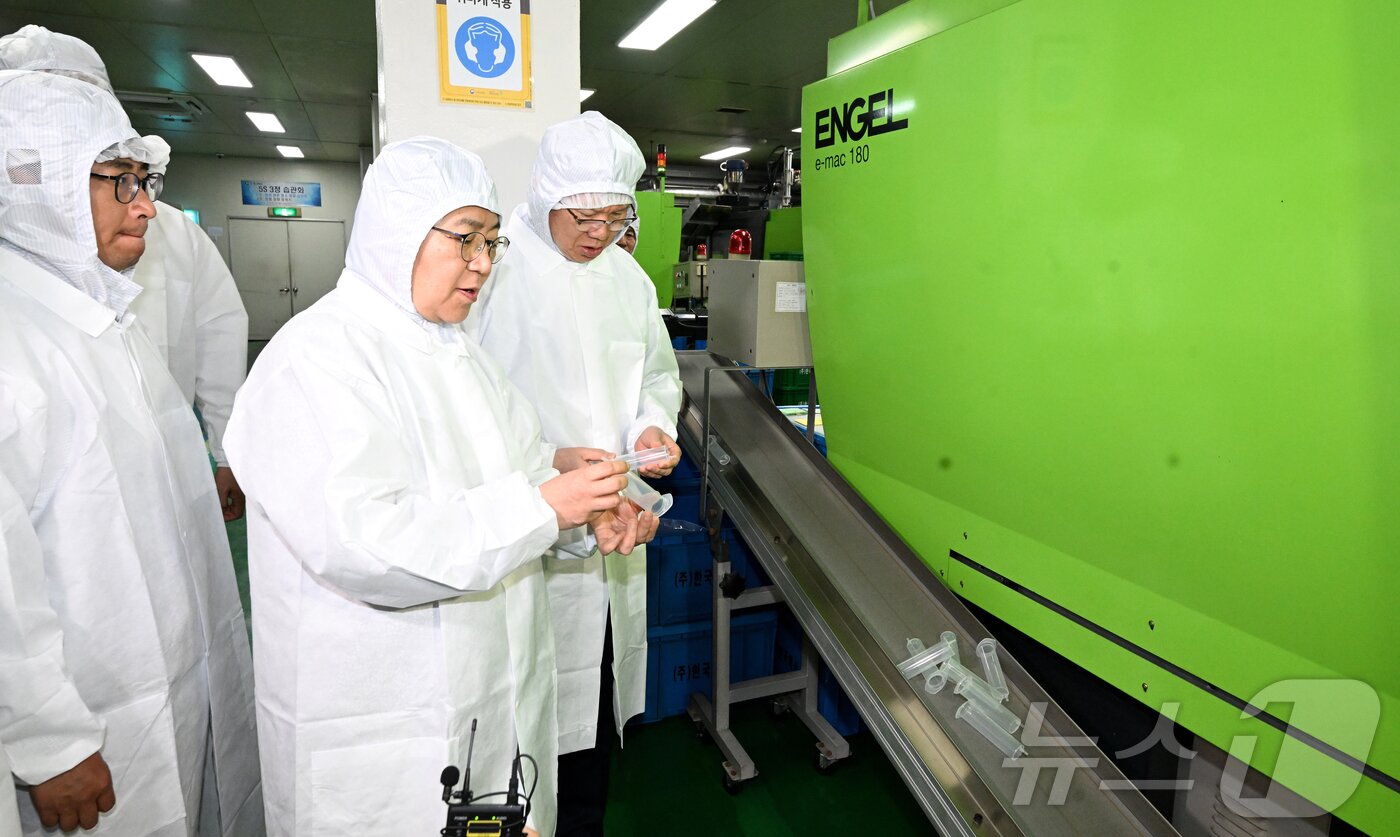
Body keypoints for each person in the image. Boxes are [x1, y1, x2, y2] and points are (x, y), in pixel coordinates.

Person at [222, 137, 642, 837]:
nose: (483, 262)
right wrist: (545, 506)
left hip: (492, 728)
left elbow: (528, 478)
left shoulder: (464, 359)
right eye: (465, 238)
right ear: (398, 232)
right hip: (389, 741)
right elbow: (366, 542)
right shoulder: (315, 357)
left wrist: (585, 520)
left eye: (493, 240)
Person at [0, 69, 262, 834]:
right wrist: (51, 741)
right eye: (119, 181)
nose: (146, 205)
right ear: (33, 180)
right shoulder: (14, 343)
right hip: (87, 721)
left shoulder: (108, 320)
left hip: (170, 679)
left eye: (143, 181)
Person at [468, 111, 683, 835]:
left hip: (613, 527)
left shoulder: (627, 278)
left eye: (615, 215)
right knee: (519, 730)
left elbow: (656, 374)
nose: (598, 232)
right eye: (582, 215)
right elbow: (472, 410)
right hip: (529, 536)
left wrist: (651, 425)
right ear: (544, 197)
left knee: (590, 718)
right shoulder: (494, 274)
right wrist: (550, 470)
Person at [0, 25, 252, 521]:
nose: (142, 207)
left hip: (166, 467)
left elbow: (219, 339)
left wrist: (228, 453)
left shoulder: (169, 231)